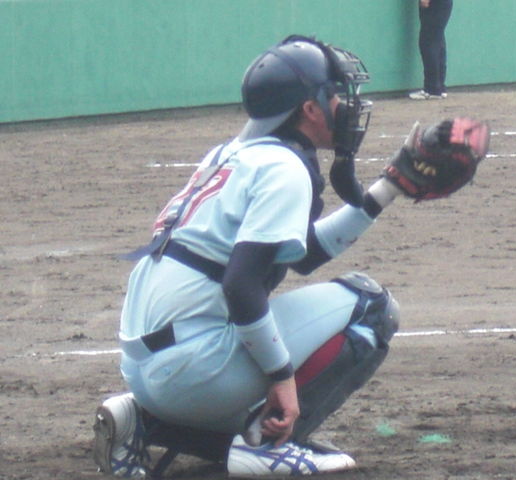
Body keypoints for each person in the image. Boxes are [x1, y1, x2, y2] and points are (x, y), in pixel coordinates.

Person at [92, 35, 405, 478]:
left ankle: (143, 419)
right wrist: (281, 377)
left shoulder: (231, 155)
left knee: (248, 334)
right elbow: (241, 286)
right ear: (310, 108)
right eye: (336, 94)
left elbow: (303, 255)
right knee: (372, 307)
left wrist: (388, 188)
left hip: (146, 370)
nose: (347, 105)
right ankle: (266, 444)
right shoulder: (284, 168)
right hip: (192, 368)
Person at [409, 0, 453, 100]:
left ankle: (432, 89)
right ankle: (439, 87)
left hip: (435, 4)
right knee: (437, 40)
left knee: (428, 42)